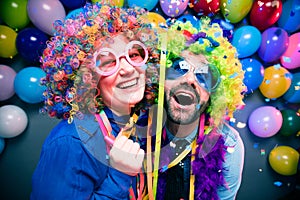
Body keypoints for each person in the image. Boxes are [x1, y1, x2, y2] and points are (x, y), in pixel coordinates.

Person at [31, 2, 159, 199]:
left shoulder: (132, 125)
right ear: (88, 78)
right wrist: (120, 174)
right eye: (108, 62)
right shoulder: (71, 142)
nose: (128, 69)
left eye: (133, 54)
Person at [149, 19, 246, 200]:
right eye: (179, 67)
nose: (190, 80)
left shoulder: (229, 145)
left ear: (213, 95)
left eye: (203, 76)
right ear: (160, 76)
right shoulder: (138, 129)